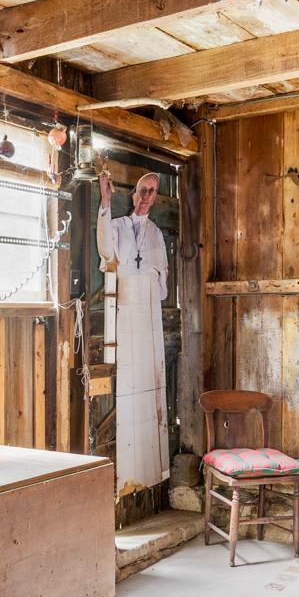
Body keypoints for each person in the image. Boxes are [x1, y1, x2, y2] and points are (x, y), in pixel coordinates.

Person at [97, 171, 168, 492]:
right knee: (128, 377)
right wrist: (105, 201)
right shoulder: (118, 226)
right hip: (125, 307)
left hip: (148, 310)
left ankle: (152, 468)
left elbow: (163, 285)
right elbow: (106, 251)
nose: (146, 196)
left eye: (152, 192)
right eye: (142, 190)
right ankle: (127, 473)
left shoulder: (155, 234)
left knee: (151, 377)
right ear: (134, 193)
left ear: (155, 196)